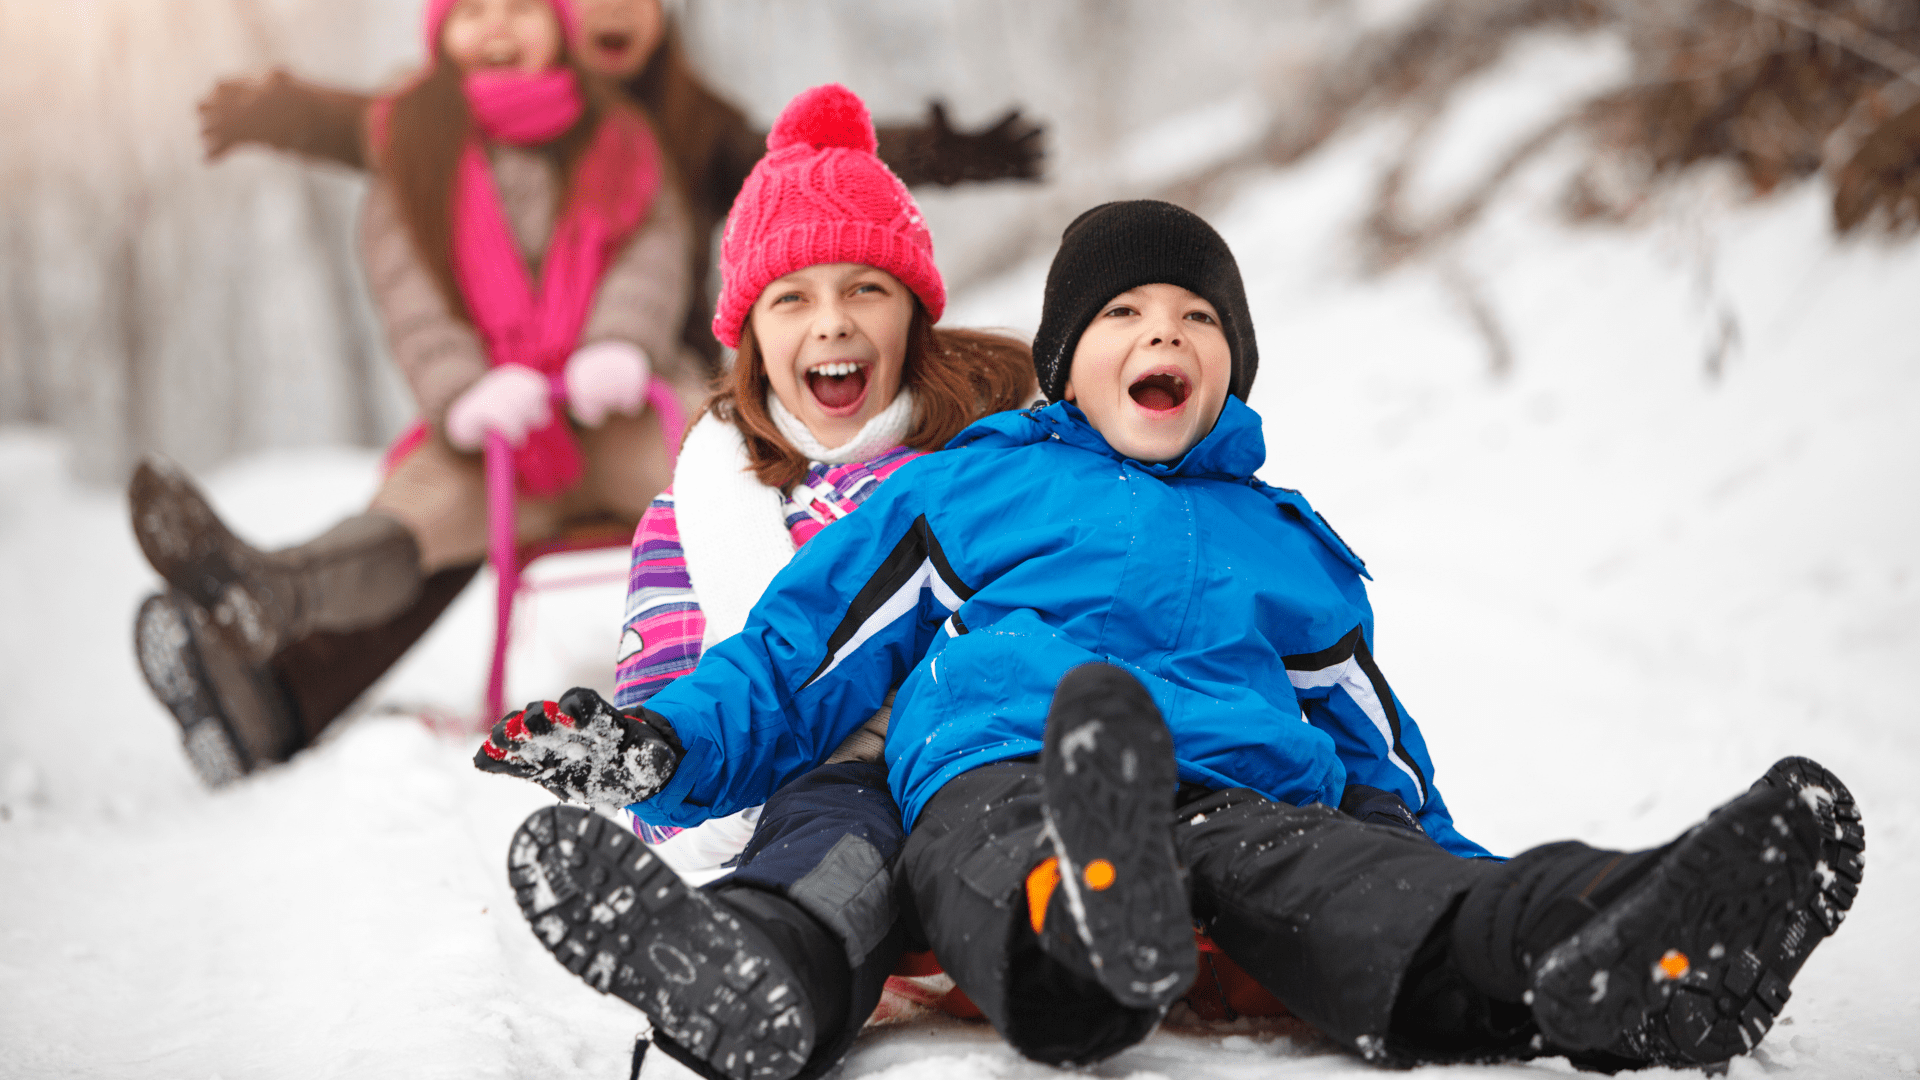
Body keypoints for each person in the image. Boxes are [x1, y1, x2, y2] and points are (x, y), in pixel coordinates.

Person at [478, 200, 1866, 1075]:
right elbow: (804, 643)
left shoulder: (1287, 539)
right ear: (1067, 358)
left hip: (1247, 795)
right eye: (1128, 313)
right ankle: (1058, 923)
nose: (1167, 333)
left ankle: (1610, 939)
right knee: (987, 851)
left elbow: (1375, 749)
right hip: (1007, 768)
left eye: (1199, 318)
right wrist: (662, 741)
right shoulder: (980, 482)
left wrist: (1451, 863)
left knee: (1366, 884)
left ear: (1231, 366)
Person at [477, 83, 1031, 1080]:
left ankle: (1092, 937)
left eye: (866, 288)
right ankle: (739, 975)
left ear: (913, 312)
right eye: (794, 298)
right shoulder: (696, 516)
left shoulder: (984, 466)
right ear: (752, 336)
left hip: (979, 758)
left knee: (975, 831)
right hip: (816, 786)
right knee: (833, 854)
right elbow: (673, 706)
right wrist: (638, 751)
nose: (834, 323)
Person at [133, 0, 700, 783]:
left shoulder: (620, 140)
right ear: (440, 37)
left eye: (519, 10)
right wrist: (462, 387)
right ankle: (270, 591)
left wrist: (622, 339)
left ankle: (825, 634)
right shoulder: (414, 150)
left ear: (559, 25)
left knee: (724, 473)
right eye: (471, 13)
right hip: (501, 428)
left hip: (618, 405)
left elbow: (653, 244)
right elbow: (412, 294)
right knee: (411, 518)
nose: (495, 28)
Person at [195, 0, 1047, 373]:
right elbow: (384, 128)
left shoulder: (691, 123)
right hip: (517, 372)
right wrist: (282, 107)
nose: (610, 8)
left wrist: (931, 151)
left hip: (658, 364)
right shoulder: (523, 119)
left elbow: (798, 154)